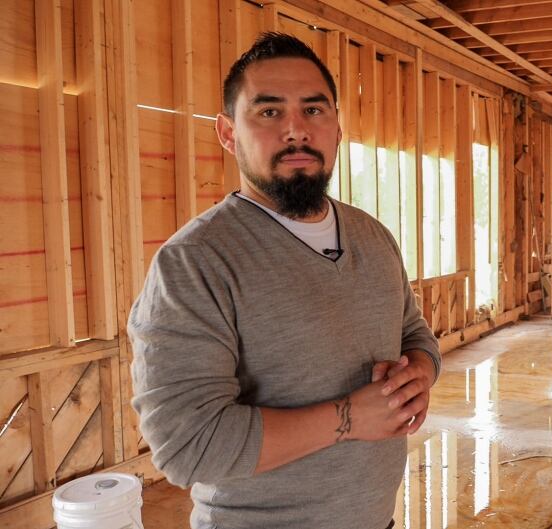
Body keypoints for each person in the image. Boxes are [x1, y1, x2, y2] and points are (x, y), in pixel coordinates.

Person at [129, 32, 440, 529]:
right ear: (228, 133)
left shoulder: (373, 237)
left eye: (314, 110)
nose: (296, 130)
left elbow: (414, 333)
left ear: (337, 128)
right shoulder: (196, 262)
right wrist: (351, 418)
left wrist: (419, 373)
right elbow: (187, 448)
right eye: (269, 112)